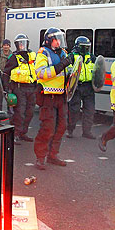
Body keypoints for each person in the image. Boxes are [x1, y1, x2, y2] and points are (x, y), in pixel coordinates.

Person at [33, 28, 74, 170]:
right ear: (49, 40)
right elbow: (41, 73)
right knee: (47, 128)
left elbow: (68, 73)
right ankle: (40, 157)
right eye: (57, 39)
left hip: (61, 96)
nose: (59, 42)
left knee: (61, 127)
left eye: (60, 39)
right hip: (48, 96)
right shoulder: (43, 53)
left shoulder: (63, 53)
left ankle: (53, 155)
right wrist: (62, 65)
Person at [3, 34, 37, 144]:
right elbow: (6, 73)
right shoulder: (14, 57)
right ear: (17, 45)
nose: (22, 46)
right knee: (19, 113)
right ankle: (15, 134)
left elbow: (36, 70)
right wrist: (6, 89)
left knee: (30, 112)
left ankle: (23, 132)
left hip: (31, 88)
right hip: (19, 88)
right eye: (20, 43)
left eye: (24, 43)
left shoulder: (32, 55)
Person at [67, 36, 96, 139]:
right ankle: (70, 130)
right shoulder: (71, 57)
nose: (86, 49)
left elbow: (97, 71)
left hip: (88, 86)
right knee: (74, 110)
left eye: (88, 47)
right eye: (84, 47)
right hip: (76, 86)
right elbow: (68, 72)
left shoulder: (92, 57)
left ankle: (87, 131)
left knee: (90, 110)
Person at [0, 39, 12, 111]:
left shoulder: (13, 56)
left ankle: (10, 114)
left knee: (9, 99)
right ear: (2, 46)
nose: (6, 47)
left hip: (9, 81)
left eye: (7, 45)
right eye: (4, 45)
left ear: (9, 46)